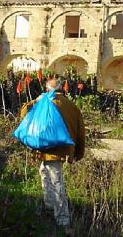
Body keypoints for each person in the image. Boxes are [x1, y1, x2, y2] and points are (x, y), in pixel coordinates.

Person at [20, 78, 85, 235]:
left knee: (56, 182)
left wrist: (37, 99)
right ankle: (49, 207)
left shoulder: (43, 102)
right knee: (45, 173)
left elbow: (24, 112)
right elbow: (80, 131)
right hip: (63, 150)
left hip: (48, 150)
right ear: (62, 89)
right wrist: (78, 153)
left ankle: (63, 219)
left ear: (48, 89)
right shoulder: (71, 105)